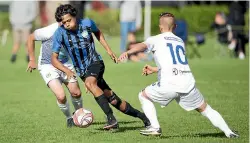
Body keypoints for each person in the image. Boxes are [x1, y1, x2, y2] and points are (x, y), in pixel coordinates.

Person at [119, 12, 239, 138]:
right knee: (206, 109)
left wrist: (128, 52)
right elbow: (174, 63)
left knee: (143, 95)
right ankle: (229, 132)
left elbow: (142, 45)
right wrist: (155, 69)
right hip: (187, 83)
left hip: (169, 84)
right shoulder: (180, 41)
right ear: (175, 26)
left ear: (160, 27)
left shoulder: (156, 39)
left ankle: (155, 127)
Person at [51, 4, 150, 130]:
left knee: (90, 84)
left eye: (69, 20)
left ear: (75, 16)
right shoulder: (60, 33)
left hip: (96, 62)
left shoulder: (87, 23)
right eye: (64, 23)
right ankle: (144, 117)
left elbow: (98, 33)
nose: (67, 24)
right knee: (113, 100)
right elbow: (53, 59)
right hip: (82, 71)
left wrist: (108, 50)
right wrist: (67, 70)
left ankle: (111, 119)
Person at [26, 22, 83, 128]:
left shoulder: (76, 31)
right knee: (61, 96)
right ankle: (69, 118)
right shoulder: (49, 31)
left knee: (76, 93)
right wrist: (32, 59)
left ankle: (80, 115)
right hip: (47, 65)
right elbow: (30, 38)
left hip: (65, 64)